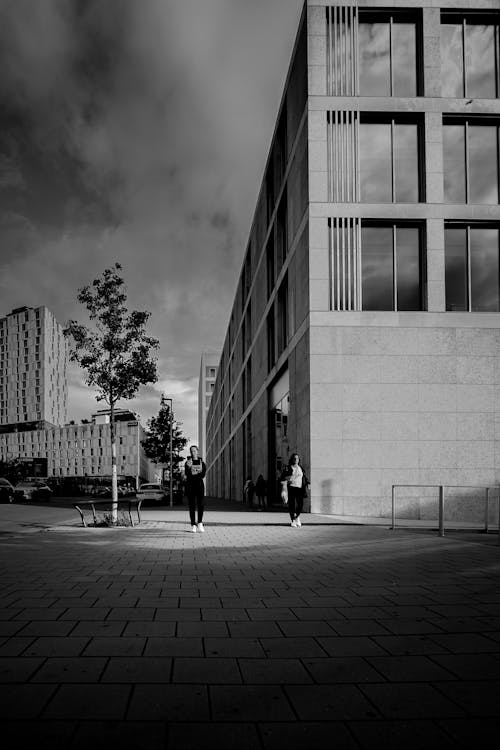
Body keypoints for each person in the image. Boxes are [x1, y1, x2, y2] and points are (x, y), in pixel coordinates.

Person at [280, 453, 310, 527]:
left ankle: (296, 517)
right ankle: (293, 520)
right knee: (292, 505)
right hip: (292, 487)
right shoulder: (288, 468)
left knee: (300, 504)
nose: (296, 460)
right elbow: (282, 477)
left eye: (297, 458)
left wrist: (308, 483)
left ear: (299, 460)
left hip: (300, 488)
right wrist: (287, 480)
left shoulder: (301, 468)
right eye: (294, 458)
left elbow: (305, 477)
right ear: (292, 459)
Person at [184, 445, 206, 532]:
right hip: (190, 486)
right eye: (191, 451)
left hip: (200, 485)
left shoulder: (202, 463)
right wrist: (190, 468)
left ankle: (200, 523)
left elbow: (203, 474)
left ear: (197, 451)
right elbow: (187, 474)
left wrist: (195, 473)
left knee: (201, 505)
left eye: (194, 450)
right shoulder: (187, 463)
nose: (193, 452)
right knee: (192, 506)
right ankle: (193, 524)